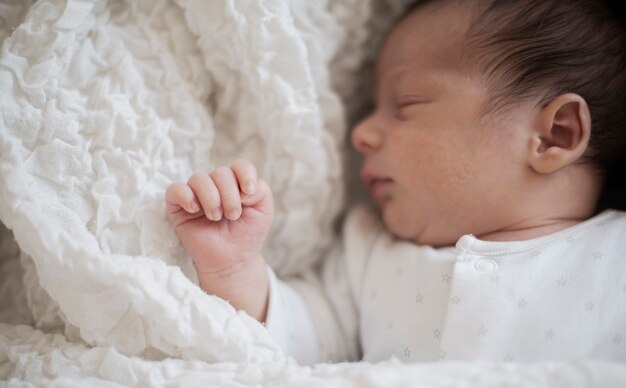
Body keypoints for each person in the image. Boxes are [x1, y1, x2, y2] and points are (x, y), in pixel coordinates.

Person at [165, 0, 626, 365]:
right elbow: (300, 345)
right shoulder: (368, 252)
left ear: (554, 135)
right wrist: (235, 268)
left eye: (406, 104)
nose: (361, 133)